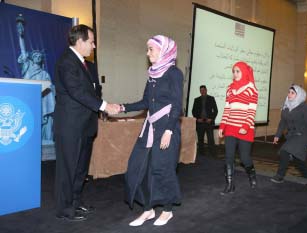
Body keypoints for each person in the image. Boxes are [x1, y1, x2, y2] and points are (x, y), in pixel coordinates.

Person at [53, 24, 118, 221]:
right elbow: (77, 92)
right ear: (80, 41)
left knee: (80, 168)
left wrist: (99, 109)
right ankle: (64, 209)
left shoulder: (85, 64)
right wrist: (105, 106)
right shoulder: (66, 62)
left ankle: (75, 202)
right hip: (70, 126)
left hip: (85, 126)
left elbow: (92, 92)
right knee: (68, 169)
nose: (94, 46)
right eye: (91, 41)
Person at [121, 35, 183, 226]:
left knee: (161, 169)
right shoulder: (152, 75)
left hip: (167, 130)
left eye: (151, 49)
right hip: (149, 129)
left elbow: (177, 104)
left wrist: (169, 131)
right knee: (136, 167)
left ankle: (167, 209)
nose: (147, 54)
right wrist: (122, 107)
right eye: (147, 50)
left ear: (164, 50)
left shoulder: (174, 73)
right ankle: (148, 210)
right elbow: (145, 102)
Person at [218, 61, 258, 194]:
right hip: (230, 127)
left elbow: (252, 111)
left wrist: (245, 126)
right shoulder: (230, 89)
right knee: (228, 156)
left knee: (244, 158)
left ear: (244, 72)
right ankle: (230, 185)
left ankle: (252, 174)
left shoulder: (251, 88)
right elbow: (227, 109)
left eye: (237, 71)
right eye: (233, 72)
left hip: (245, 128)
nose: (234, 74)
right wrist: (222, 126)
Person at [16, 14, 55, 144]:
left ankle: (45, 139)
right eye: (35, 55)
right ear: (32, 58)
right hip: (29, 100)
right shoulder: (27, 67)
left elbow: (50, 89)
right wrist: (20, 35)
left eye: (40, 55)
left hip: (43, 102)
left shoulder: (45, 74)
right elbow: (23, 50)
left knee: (46, 121)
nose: (38, 56)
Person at [270, 85, 307, 184]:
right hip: (292, 136)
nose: (289, 94)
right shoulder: (286, 106)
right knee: (297, 159)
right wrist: (277, 135)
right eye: (289, 92)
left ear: (298, 95)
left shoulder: (304, 106)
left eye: (292, 93)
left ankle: (280, 176)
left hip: (303, 136)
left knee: (284, 151)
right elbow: (282, 122)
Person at [192, 85, 218, 155]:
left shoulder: (211, 98)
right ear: (200, 91)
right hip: (200, 123)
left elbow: (215, 110)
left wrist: (211, 119)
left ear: (206, 90)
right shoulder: (196, 100)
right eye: (201, 90)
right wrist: (197, 119)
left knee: (211, 140)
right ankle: (201, 155)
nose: (202, 91)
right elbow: (193, 111)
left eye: (203, 90)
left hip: (209, 122)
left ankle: (212, 155)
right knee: (200, 140)